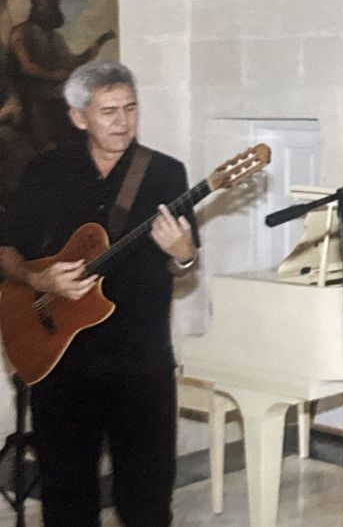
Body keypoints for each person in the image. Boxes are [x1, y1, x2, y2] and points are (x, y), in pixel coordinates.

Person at [0, 61, 199, 527]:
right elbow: (6, 250)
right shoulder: (46, 171)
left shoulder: (165, 173)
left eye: (130, 108)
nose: (124, 122)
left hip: (142, 358)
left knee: (147, 497)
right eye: (109, 111)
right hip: (61, 360)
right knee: (67, 497)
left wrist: (184, 252)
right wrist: (39, 281)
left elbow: (185, 263)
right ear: (78, 117)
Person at [6, 0, 114, 151]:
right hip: (30, 97)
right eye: (45, 5)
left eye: (53, 6)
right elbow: (27, 67)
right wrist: (54, 76)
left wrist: (100, 41)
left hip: (55, 96)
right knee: (49, 144)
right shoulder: (22, 32)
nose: (51, 10)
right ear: (37, 7)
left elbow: (73, 62)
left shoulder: (56, 37)